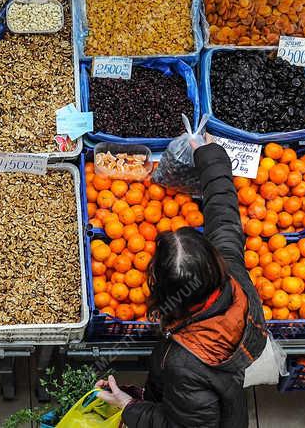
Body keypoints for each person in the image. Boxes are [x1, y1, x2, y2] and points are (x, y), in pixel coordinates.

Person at [96, 142, 268, 427]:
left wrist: (130, 408)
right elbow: (224, 214)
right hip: (213, 401)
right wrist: (207, 153)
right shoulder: (232, 274)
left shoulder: (185, 365)